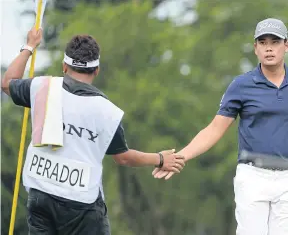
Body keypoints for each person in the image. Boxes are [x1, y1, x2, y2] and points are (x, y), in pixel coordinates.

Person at [152, 18, 288, 235]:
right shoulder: (241, 85)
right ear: (255, 48)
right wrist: (181, 156)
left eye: (275, 41)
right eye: (262, 42)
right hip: (253, 177)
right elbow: (215, 129)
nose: (269, 47)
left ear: (287, 45)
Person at [1, 26, 185, 235]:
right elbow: (123, 158)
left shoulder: (41, 87)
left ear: (64, 66)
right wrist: (160, 158)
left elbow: (7, 83)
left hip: (40, 195)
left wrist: (30, 46)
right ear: (96, 70)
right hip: (81, 205)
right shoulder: (107, 111)